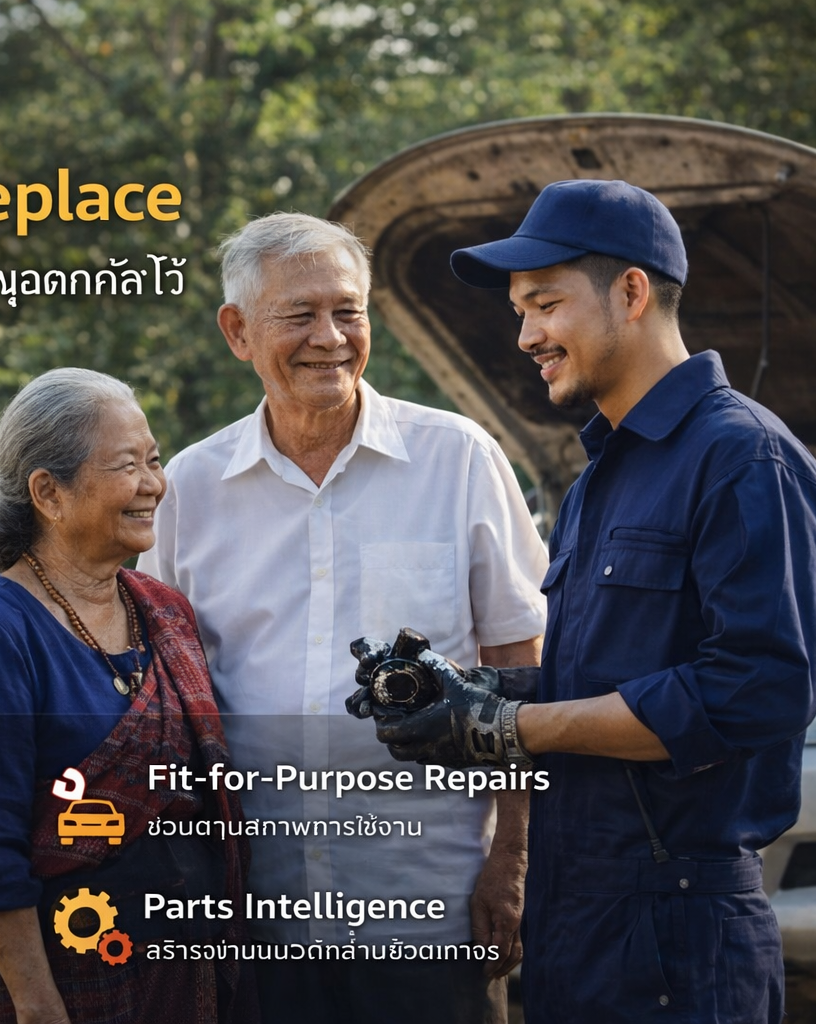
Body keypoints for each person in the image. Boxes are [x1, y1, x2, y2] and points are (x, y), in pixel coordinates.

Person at [373, 179, 816, 1023]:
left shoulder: (744, 459)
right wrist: (466, 693)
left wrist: (516, 727)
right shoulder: (598, 481)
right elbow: (598, 678)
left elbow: (760, 688)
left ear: (631, 292)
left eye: (546, 305)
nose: (526, 336)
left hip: (680, 928)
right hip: (575, 918)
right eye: (519, 312)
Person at [137, 213, 548, 1024]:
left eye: (347, 312)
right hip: (257, 917)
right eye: (299, 314)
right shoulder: (191, 488)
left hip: (432, 908)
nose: (329, 338)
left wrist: (513, 857)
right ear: (237, 332)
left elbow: (519, 666)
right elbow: (163, 696)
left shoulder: (458, 459)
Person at [0, 367, 257, 1024]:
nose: (153, 484)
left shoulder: (164, 611)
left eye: (154, 460)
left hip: (183, 980)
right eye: (127, 465)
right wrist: (39, 1006)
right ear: (49, 492)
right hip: (62, 984)